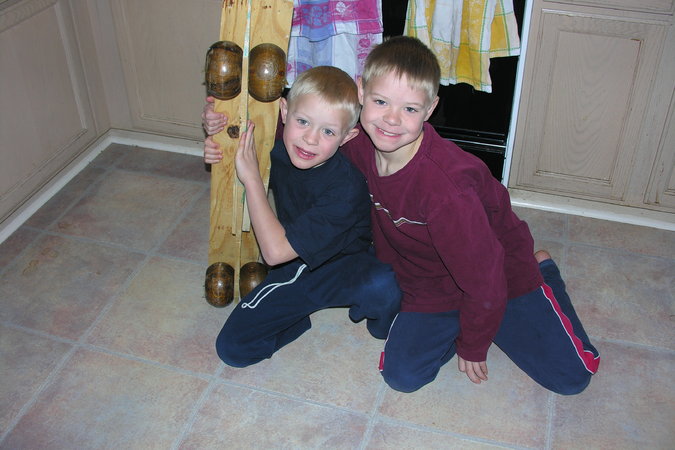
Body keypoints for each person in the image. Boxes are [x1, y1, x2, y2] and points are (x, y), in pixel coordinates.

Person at [204, 37, 600, 395]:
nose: (391, 120)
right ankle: (461, 318)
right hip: (429, 282)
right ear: (362, 94)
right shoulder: (356, 141)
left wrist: (474, 342)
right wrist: (219, 125)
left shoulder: (447, 191)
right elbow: (291, 125)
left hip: (499, 276)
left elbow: (484, 276)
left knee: (571, 379)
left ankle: (542, 273)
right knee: (402, 377)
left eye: (409, 108)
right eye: (380, 102)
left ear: (430, 109)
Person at [208, 66, 401, 368]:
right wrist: (216, 132)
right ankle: (295, 319)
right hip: (300, 262)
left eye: (328, 132)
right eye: (303, 122)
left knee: (385, 285)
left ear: (347, 136)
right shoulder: (280, 142)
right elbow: (234, 124)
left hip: (347, 263)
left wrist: (253, 180)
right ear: (284, 112)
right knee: (233, 348)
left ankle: (385, 325)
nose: (310, 139)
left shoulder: (346, 188)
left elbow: (274, 253)